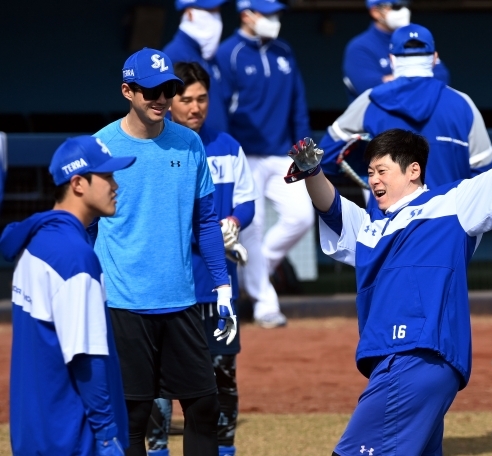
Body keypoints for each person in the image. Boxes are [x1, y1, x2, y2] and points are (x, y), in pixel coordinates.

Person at [284, 100, 492, 455]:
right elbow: (330, 208)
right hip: (400, 362)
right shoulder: (369, 227)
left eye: (382, 170)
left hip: (415, 358)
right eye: (370, 172)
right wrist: (312, 170)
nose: (373, 179)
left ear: (413, 171)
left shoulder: (452, 202)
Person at [93, 48, 237, 456]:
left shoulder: (190, 143)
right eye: (151, 91)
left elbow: (206, 221)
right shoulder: (101, 146)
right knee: (134, 416)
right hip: (124, 302)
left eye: (167, 90)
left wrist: (223, 287)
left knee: (204, 406)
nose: (161, 99)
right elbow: (84, 224)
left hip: (181, 300)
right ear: (128, 91)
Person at [146, 62, 256, 456]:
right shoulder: (157, 148)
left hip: (218, 286)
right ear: (169, 101)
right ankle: (156, 450)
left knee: (223, 377)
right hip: (169, 287)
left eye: (202, 98)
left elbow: (247, 202)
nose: (195, 107)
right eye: (186, 99)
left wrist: (232, 221)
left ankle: (224, 450)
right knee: (158, 382)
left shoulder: (228, 147)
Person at [0, 136, 135, 455]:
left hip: (36, 430)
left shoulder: (36, 242)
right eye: (107, 176)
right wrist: (106, 433)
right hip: (74, 435)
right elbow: (85, 357)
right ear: (78, 183)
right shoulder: (75, 258)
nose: (115, 185)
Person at [216, 0, 314, 328]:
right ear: (247, 14)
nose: (275, 19)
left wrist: (304, 152)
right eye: (267, 13)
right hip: (245, 155)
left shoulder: (284, 50)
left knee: (302, 216)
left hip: (281, 153)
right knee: (251, 227)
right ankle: (264, 304)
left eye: (276, 13)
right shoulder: (227, 52)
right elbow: (220, 111)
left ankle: (253, 276)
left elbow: (298, 103)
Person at [321, 24, 492, 207]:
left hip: (387, 227)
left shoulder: (370, 101)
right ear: (435, 59)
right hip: (448, 224)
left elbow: (327, 157)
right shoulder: (462, 104)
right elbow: (486, 173)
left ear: (392, 60)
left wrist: (367, 166)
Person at [342, 0, 450, 102]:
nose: (403, 11)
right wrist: (419, 77)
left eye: (405, 5)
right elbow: (369, 89)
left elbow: (441, 78)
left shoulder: (419, 38)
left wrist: (391, 79)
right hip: (376, 118)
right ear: (375, 12)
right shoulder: (360, 46)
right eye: (396, 7)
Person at [163, 0, 229, 133]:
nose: (216, 17)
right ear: (190, 13)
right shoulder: (172, 55)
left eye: (217, 11)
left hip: (215, 144)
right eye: (210, 11)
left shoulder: (208, 55)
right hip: (186, 147)